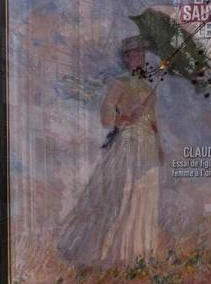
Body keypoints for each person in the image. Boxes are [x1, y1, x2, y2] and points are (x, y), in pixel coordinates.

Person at [57, 36, 161, 270]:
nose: (139, 58)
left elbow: (153, 121)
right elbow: (106, 117)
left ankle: (139, 255)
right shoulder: (119, 83)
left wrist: (159, 144)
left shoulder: (147, 86)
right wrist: (125, 117)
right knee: (123, 197)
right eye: (134, 54)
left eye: (142, 54)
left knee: (144, 199)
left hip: (148, 147)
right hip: (127, 146)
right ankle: (116, 255)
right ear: (126, 58)